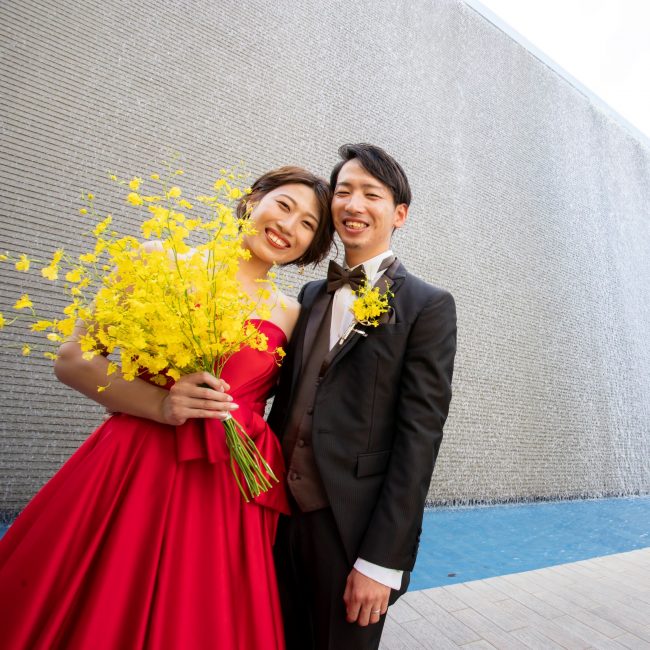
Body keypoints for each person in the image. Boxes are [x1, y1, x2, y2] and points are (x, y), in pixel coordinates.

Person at [0, 166, 333, 650]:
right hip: (134, 464)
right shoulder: (157, 260)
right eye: (284, 205)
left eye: (308, 224)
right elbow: (73, 359)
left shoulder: (293, 314)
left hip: (226, 485)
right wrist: (161, 403)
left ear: (310, 247)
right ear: (252, 200)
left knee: (200, 618)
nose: (289, 226)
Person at [268, 144, 457, 650]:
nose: (354, 204)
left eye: (371, 194)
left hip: (351, 533)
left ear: (399, 214)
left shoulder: (427, 306)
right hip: (276, 519)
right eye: (344, 191)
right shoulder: (310, 295)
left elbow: (419, 440)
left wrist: (381, 561)